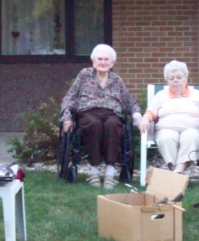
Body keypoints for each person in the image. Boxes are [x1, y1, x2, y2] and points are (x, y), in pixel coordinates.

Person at [60, 44, 142, 189]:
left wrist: (137, 116)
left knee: (112, 125)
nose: (103, 62)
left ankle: (110, 172)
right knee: (94, 124)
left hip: (111, 113)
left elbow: (130, 102)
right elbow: (69, 98)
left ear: (112, 63)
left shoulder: (116, 80)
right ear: (93, 61)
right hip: (88, 113)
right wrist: (67, 117)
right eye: (100, 59)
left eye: (106, 59)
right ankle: (94, 171)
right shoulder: (84, 75)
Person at [141, 60, 199, 174]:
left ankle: (177, 172)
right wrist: (145, 118)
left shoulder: (197, 95)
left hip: (192, 129)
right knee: (166, 138)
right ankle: (176, 171)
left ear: (186, 78)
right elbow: (150, 113)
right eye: (171, 78)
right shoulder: (160, 95)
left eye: (179, 77)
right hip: (166, 129)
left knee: (191, 137)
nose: (175, 80)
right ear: (167, 81)